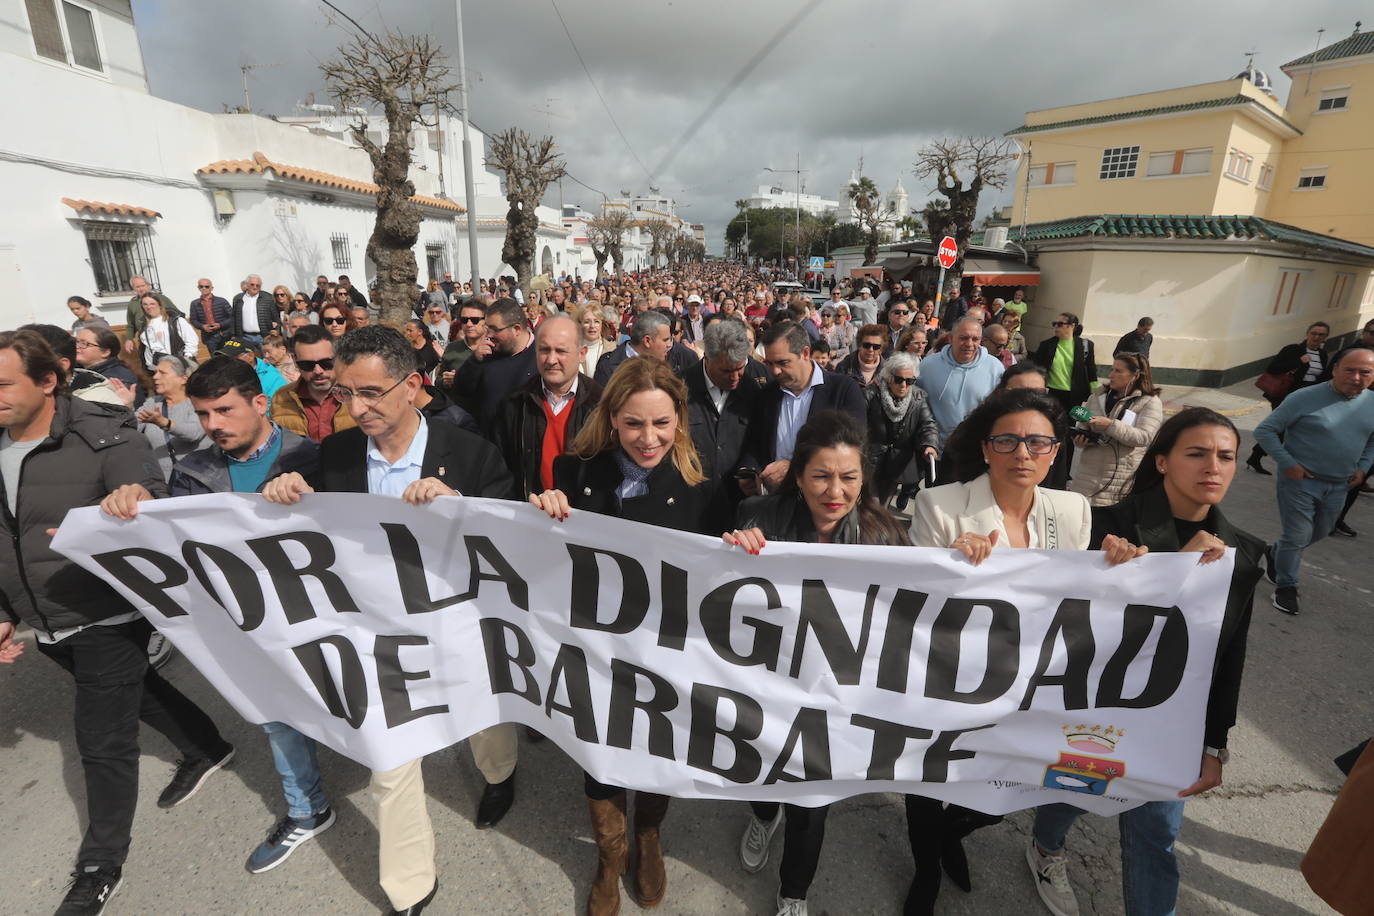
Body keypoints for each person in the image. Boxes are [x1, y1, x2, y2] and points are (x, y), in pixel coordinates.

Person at [262, 326, 518, 915]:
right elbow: (315, 531)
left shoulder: (472, 453)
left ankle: (499, 773)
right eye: (348, 393)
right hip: (376, 636)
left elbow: (509, 542)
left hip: (458, 627)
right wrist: (285, 492)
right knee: (390, 764)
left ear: (413, 385)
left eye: (372, 392)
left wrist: (464, 509)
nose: (357, 408)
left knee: (485, 723)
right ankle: (410, 887)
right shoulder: (337, 454)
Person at [0, 331, 233, 915]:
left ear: (47, 381)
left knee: (101, 739)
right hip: (40, 617)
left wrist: (135, 498)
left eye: (3, 384)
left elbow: (148, 494)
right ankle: (206, 747)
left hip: (105, 610)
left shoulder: (106, 433)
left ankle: (101, 864)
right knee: (138, 691)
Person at [1028, 407, 1263, 916]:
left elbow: (1228, 654)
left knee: (1156, 834)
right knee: (1074, 789)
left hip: (1169, 722)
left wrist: (1214, 744)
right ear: (1161, 462)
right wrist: (1165, 567)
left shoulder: (1242, 553)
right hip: (1096, 710)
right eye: (1197, 454)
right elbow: (1062, 623)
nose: (1213, 467)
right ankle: (1046, 847)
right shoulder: (1111, 529)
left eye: (1226, 457)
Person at [908, 388, 1108, 915]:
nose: (1023, 453)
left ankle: (959, 827)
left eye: (1037, 443)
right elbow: (913, 605)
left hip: (1031, 679)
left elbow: (1080, 596)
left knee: (1018, 779)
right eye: (1008, 441)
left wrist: (1124, 562)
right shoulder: (939, 506)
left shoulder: (1072, 510)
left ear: (1055, 452)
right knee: (929, 779)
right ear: (985, 448)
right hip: (952, 672)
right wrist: (948, 565)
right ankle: (926, 872)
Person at [528, 356, 708, 916]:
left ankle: (648, 834)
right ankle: (610, 855)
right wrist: (542, 510)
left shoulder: (703, 483)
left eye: (660, 423)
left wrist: (743, 537)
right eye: (633, 424)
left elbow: (723, 569)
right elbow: (542, 556)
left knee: (659, 744)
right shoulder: (572, 470)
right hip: (595, 647)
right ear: (611, 419)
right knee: (601, 749)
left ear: (678, 418)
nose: (648, 438)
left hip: (666, 649)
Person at [723, 411, 911, 916]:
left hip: (834, 696)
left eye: (849, 478)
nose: (836, 491)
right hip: (768, 684)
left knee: (811, 804)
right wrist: (733, 552)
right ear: (798, 476)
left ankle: (794, 895)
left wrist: (964, 559)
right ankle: (763, 816)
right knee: (761, 771)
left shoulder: (885, 533)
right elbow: (720, 597)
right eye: (821, 476)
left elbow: (923, 605)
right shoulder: (755, 515)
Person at [1253, 346, 1374, 615]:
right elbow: (1265, 431)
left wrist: (1363, 466)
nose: (1356, 377)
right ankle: (1286, 586)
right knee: (1296, 535)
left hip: (1340, 483)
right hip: (1300, 481)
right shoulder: (1304, 397)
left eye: (1364, 372)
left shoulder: (1372, 403)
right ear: (1334, 370)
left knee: (1319, 531)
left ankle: (1276, 554)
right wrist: (1289, 463)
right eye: (1349, 370)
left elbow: (1372, 440)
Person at [494, 314, 603, 499]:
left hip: (583, 519)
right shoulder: (515, 404)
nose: (551, 360)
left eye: (561, 351)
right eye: (544, 350)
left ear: (582, 353)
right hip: (531, 516)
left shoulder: (601, 405)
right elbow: (499, 469)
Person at [751, 321, 868, 492]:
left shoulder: (843, 390)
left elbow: (853, 446)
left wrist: (794, 467)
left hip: (826, 496)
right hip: (775, 498)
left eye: (783, 363)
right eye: (769, 364)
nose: (775, 371)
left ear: (805, 353)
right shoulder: (766, 394)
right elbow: (755, 444)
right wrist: (750, 471)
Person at [687, 318, 766, 534]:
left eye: (740, 369)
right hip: (690, 506)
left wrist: (750, 468)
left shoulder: (754, 390)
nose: (734, 378)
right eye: (725, 371)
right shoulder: (680, 388)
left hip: (738, 510)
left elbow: (760, 439)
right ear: (707, 358)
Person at [1069, 352, 1164, 507]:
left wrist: (1110, 425)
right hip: (1086, 479)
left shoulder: (1149, 402)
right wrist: (1080, 440)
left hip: (1117, 483)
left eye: (1118, 371)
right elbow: (1084, 426)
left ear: (1135, 376)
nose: (1111, 375)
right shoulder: (1098, 396)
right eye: (1112, 369)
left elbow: (1145, 437)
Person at [1247, 322, 1335, 475]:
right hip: (1285, 394)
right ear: (1307, 333)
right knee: (1280, 428)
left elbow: (1320, 377)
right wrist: (1299, 361)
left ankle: (1256, 457)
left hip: (1306, 395)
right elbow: (1273, 368)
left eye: (1321, 334)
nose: (1316, 337)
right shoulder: (1293, 349)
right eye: (1314, 333)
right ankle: (1257, 457)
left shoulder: (1322, 354)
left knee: (1286, 429)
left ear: (1326, 337)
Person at [916, 317, 1004, 447]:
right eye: (963, 338)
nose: (969, 344)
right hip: (933, 450)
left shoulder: (995, 368)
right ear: (951, 338)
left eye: (975, 339)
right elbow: (916, 405)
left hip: (972, 453)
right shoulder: (928, 365)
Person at [1033, 313, 1097, 489]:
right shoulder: (1047, 345)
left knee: (1069, 434)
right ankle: (1046, 465)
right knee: (1049, 431)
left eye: (1060, 324)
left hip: (1074, 396)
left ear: (1072, 326)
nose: (1056, 326)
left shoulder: (1085, 346)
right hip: (1051, 394)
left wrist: (1095, 395)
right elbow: (1036, 369)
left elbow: (1091, 370)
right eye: (1055, 323)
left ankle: (1064, 471)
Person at [865, 352, 938, 506]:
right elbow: (857, 421)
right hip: (871, 459)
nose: (903, 385)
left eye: (909, 380)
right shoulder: (871, 393)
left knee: (883, 504)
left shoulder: (918, 397)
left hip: (897, 463)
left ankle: (878, 528)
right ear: (889, 377)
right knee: (871, 503)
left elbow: (927, 424)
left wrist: (930, 444)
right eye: (898, 380)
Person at [269, 325, 356, 442]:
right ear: (295, 362)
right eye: (308, 365)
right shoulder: (280, 398)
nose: (318, 371)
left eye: (326, 363)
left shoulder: (359, 394)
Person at [135, 355, 207, 480]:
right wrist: (127, 406)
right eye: (155, 372)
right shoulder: (153, 402)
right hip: (161, 483)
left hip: (194, 481)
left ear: (183, 379)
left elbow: (194, 433)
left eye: (162, 373)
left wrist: (164, 423)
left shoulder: (198, 403)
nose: (155, 377)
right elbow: (131, 427)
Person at [137, 292, 199, 371]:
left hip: (182, 366)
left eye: (152, 303)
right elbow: (149, 351)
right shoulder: (144, 328)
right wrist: (153, 368)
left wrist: (185, 360)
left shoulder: (176, 321)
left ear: (159, 305)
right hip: (162, 369)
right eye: (145, 304)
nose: (149, 307)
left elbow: (191, 341)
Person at [215, 337, 287, 404]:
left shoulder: (272, 378)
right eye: (225, 358)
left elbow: (275, 408)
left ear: (250, 356)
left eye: (234, 358)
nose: (227, 362)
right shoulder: (224, 374)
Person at [74, 325, 140, 396]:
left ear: (105, 352)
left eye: (84, 344)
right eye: (76, 342)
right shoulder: (78, 371)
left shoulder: (116, 381)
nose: (77, 347)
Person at [121, 275, 174, 355]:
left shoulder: (161, 298)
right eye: (137, 287)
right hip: (146, 342)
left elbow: (176, 315)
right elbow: (131, 325)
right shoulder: (133, 304)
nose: (141, 289)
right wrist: (129, 339)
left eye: (143, 285)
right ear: (133, 288)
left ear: (148, 285)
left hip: (166, 341)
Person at [439, 301, 486, 389]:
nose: (469, 324)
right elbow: (438, 380)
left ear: (486, 321)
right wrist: (446, 382)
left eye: (474, 320)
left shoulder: (496, 348)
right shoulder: (452, 348)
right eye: (464, 320)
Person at [833, 323, 886, 395]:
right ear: (859, 345)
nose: (871, 349)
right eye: (866, 345)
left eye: (876, 347)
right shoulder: (843, 367)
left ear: (881, 349)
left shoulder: (887, 371)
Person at [186, 279, 233, 354]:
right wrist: (202, 326)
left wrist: (220, 325)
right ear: (198, 288)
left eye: (206, 286)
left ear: (211, 288)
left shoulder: (222, 301)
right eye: (201, 286)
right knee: (215, 360)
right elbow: (193, 320)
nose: (204, 288)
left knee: (228, 357)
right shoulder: (194, 303)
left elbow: (232, 317)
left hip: (224, 334)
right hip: (209, 337)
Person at [231, 275, 278, 345]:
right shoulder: (238, 298)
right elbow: (234, 317)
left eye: (258, 285)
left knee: (265, 356)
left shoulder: (268, 298)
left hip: (263, 337)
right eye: (252, 284)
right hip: (244, 337)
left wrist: (276, 331)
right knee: (248, 356)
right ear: (247, 285)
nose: (255, 287)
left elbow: (276, 318)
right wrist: (233, 335)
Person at [575, 303, 609, 378]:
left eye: (596, 321)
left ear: (601, 324)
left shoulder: (612, 349)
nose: (592, 326)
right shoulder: (573, 348)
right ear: (580, 324)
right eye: (587, 322)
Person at [403, 319, 441, 383]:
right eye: (407, 330)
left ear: (420, 332)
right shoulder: (405, 348)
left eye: (410, 331)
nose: (407, 333)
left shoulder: (433, 347)